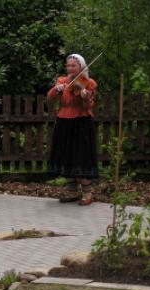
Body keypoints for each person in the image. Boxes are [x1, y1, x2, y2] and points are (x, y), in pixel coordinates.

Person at [47, 53, 98, 206]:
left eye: (73, 66)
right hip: (63, 121)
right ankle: (72, 189)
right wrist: (56, 90)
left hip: (81, 123)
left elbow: (89, 106)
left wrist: (84, 97)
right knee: (66, 155)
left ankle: (87, 191)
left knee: (80, 156)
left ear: (81, 67)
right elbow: (50, 99)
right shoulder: (62, 81)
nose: (70, 68)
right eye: (68, 65)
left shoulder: (88, 83)